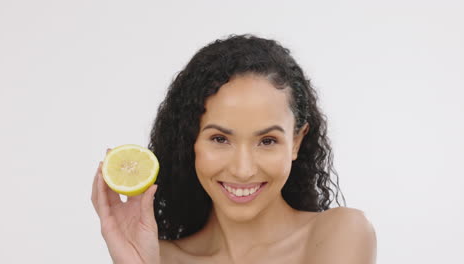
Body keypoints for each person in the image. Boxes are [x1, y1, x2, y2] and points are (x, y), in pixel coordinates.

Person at [91, 34, 377, 264]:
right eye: (219, 139)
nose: (243, 170)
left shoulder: (340, 233)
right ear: (190, 141)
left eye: (267, 141)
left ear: (296, 142)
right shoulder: (158, 258)